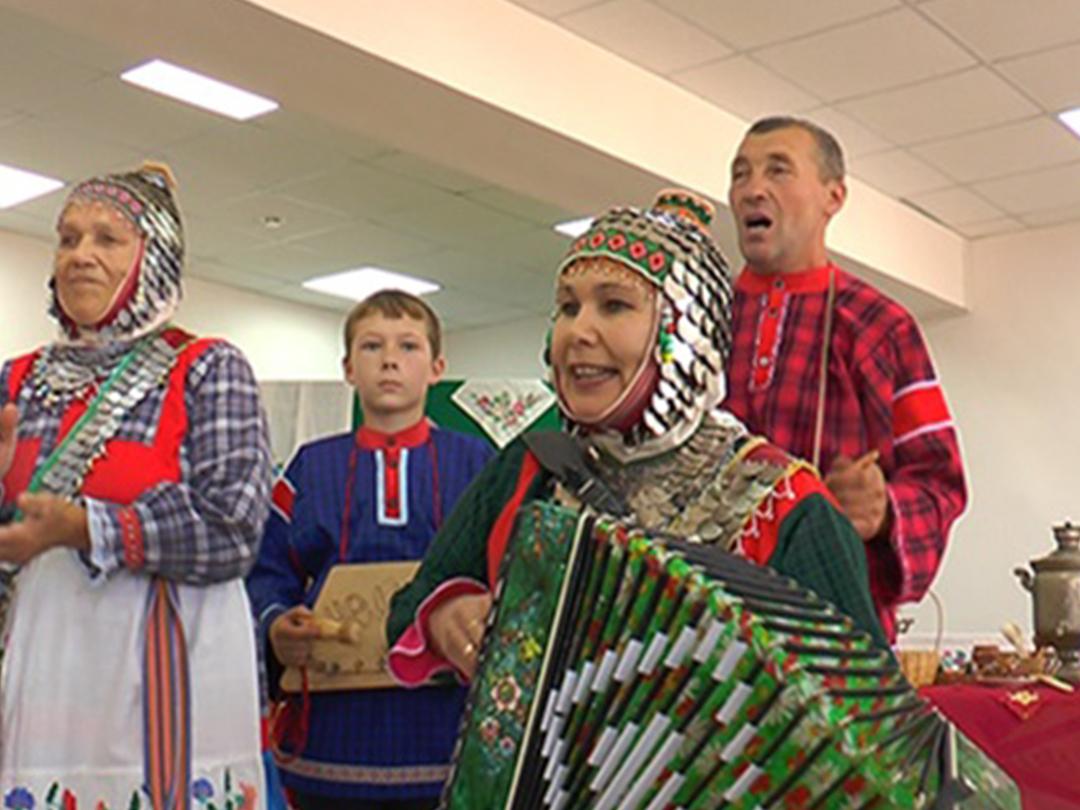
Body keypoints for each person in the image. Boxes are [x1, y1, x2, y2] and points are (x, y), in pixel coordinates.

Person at [386, 189, 887, 690]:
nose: (578, 331)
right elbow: (408, 606)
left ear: (685, 331)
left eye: (614, 305)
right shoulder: (528, 468)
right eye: (567, 307)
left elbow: (869, 712)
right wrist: (445, 615)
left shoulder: (785, 506)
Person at [0, 164, 271, 806]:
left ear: (155, 255)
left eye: (106, 239)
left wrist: (85, 526)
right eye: (67, 239)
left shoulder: (208, 367)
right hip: (45, 665)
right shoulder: (14, 379)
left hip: (167, 663)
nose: (80, 256)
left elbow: (232, 529)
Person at [723, 116, 968, 642]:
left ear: (833, 197)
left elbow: (940, 482)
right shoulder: (697, 320)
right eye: (740, 174)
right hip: (698, 630)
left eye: (778, 170)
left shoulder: (883, 327)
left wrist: (884, 512)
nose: (751, 189)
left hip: (833, 639)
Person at [246, 290, 493, 809]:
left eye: (408, 346)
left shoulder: (479, 466)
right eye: (371, 346)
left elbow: (509, 571)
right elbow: (267, 570)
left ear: (436, 367)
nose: (389, 359)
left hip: (446, 731)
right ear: (348, 368)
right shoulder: (309, 468)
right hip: (328, 740)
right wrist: (275, 626)